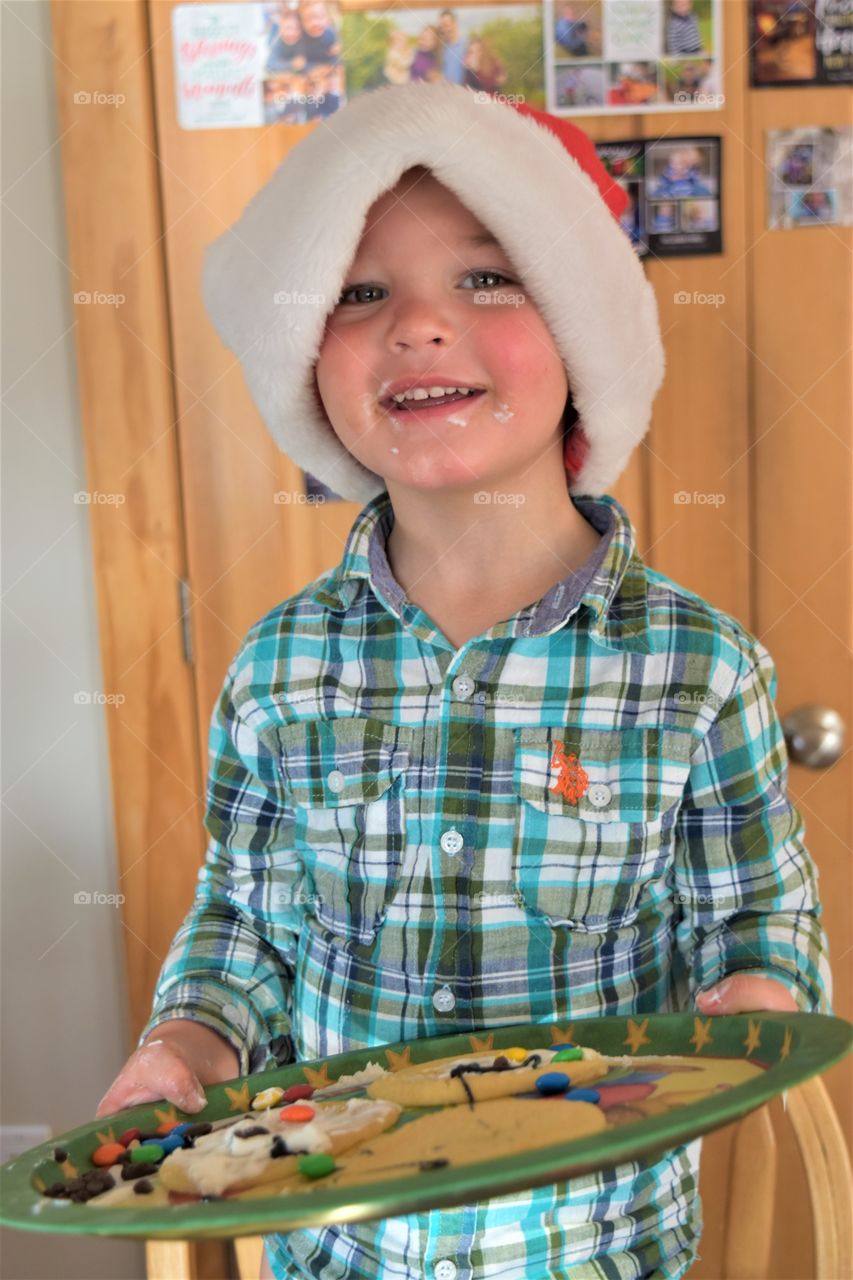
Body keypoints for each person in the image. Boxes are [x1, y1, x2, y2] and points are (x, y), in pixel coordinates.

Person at [96, 83, 832, 1280]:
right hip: (334, 1248)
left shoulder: (702, 669)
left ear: (584, 331)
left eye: (487, 277)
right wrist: (187, 1039)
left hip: (596, 1252)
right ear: (310, 363)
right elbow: (244, 925)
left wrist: (751, 989)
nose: (419, 325)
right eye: (359, 291)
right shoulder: (279, 670)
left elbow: (758, 914)